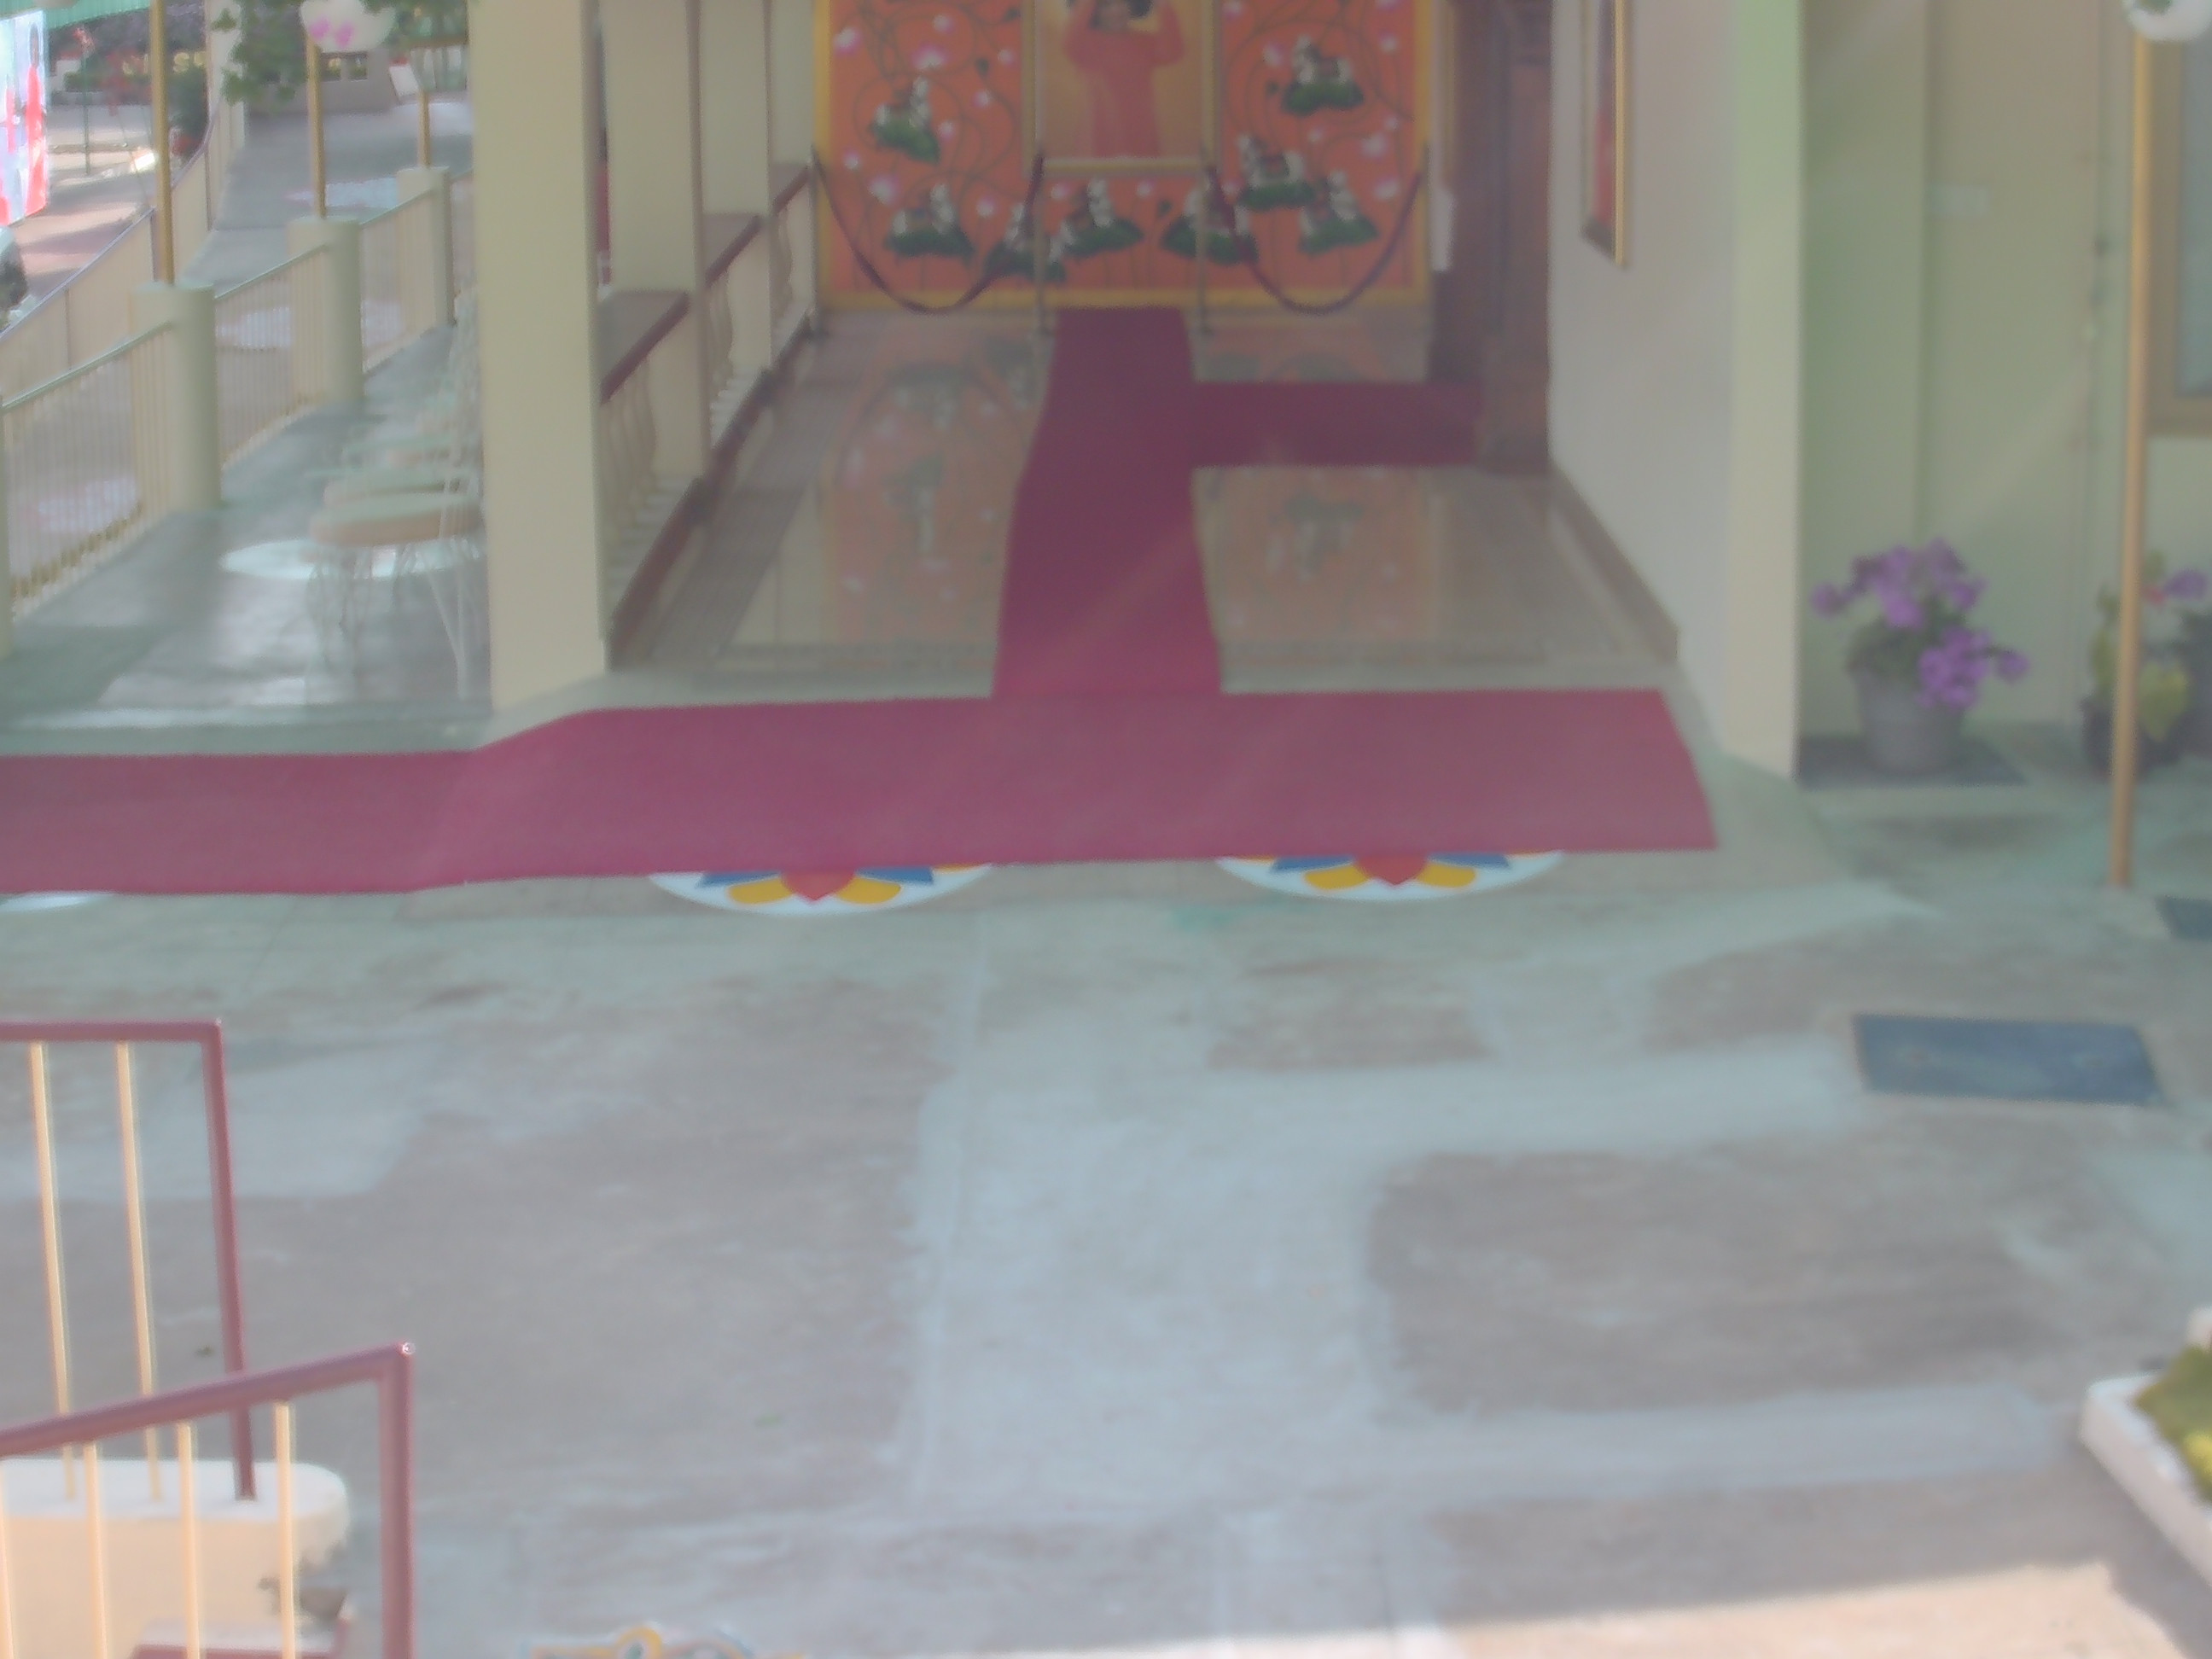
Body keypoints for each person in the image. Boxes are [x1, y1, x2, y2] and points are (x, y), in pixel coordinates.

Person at [1062, 0, 1181, 159]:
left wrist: (1163, 5)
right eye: (1106, 5)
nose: (1116, 10)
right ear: (1093, 9)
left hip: (1141, 137)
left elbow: (1173, 50)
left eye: (1123, 2)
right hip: (1098, 140)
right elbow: (1070, 37)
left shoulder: (1144, 43)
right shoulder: (1085, 44)